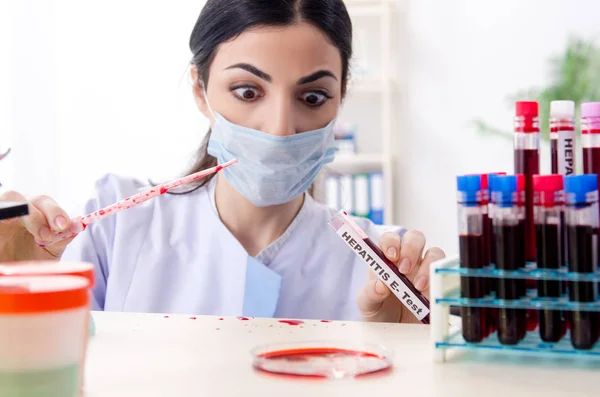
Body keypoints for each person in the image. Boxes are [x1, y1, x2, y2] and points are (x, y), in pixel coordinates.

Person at [0, 0, 445, 323]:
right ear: (200, 91)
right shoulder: (118, 229)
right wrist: (16, 284)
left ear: (340, 99)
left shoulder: (384, 266)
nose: (279, 128)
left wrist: (404, 355)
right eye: (248, 92)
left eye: (312, 97)